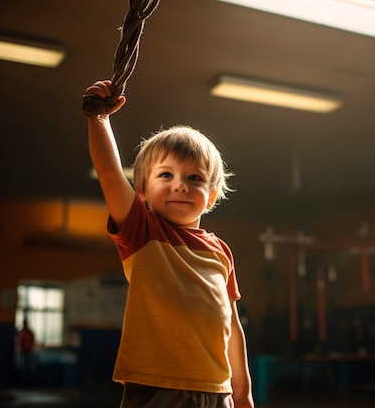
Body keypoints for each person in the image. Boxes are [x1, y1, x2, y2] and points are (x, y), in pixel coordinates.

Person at [83, 80, 254, 408]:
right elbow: (108, 173)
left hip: (217, 392)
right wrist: (99, 119)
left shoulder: (221, 251)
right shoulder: (142, 231)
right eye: (166, 176)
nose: (180, 186)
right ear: (142, 192)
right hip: (156, 388)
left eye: (194, 178)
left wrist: (243, 393)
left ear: (211, 198)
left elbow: (231, 325)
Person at [15, 318, 37, 386]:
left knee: (30, 367)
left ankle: (31, 383)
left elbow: (33, 341)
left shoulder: (29, 332)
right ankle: (24, 383)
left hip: (29, 351)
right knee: (23, 368)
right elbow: (18, 341)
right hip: (23, 352)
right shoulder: (21, 332)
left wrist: (32, 348)